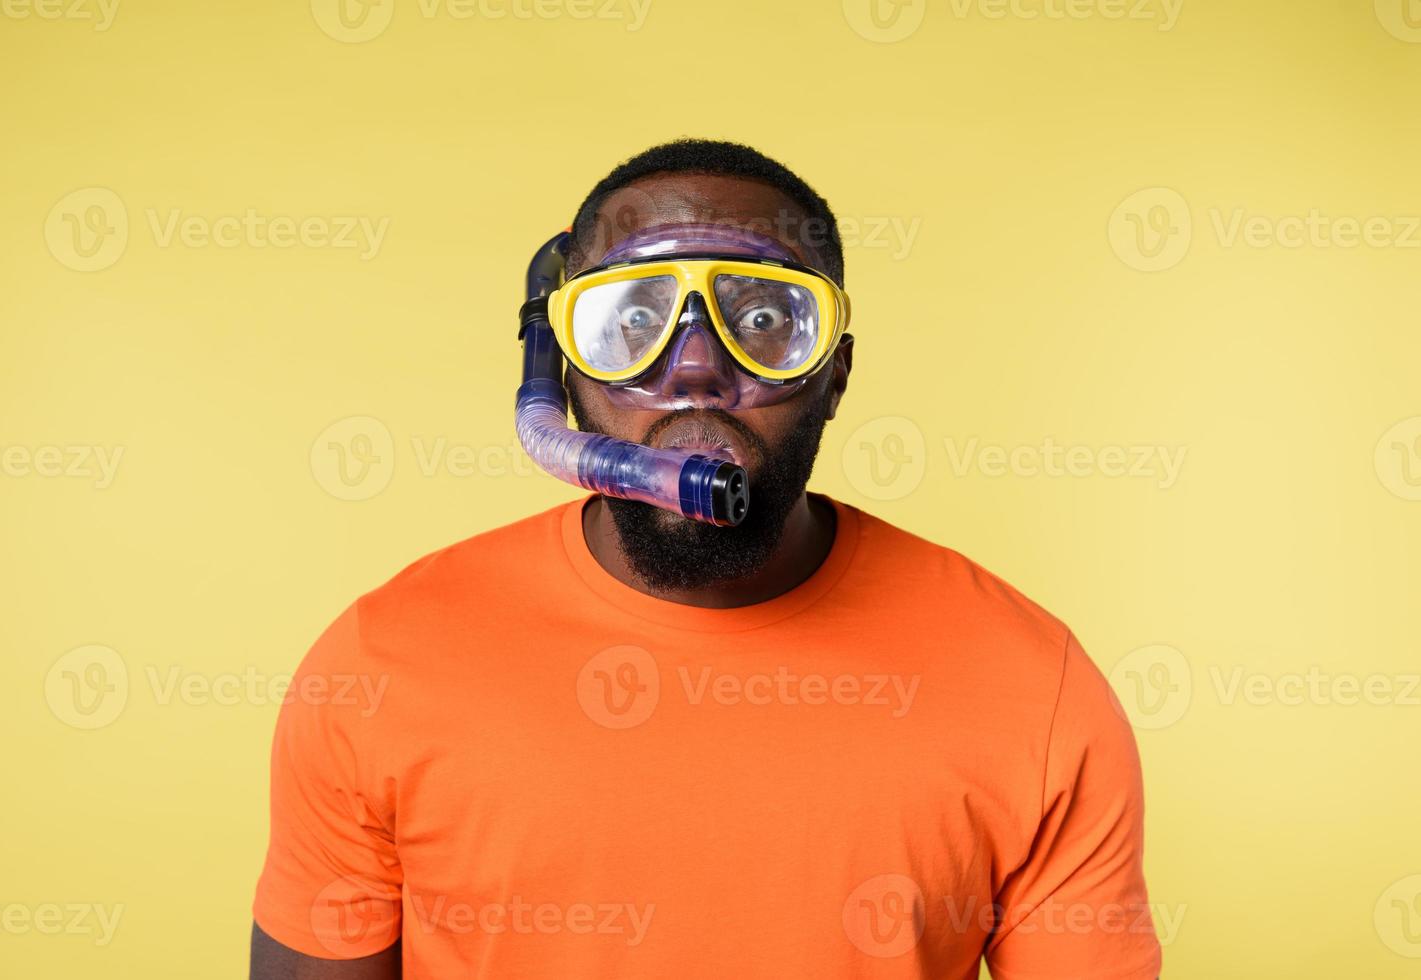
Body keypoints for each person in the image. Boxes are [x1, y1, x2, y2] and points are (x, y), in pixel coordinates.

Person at [249, 139, 1161, 980]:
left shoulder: (1031, 688)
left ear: (834, 374)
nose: (692, 368)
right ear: (562, 373)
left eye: (763, 315)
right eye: (631, 319)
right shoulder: (382, 665)